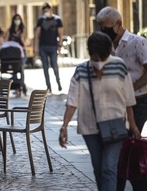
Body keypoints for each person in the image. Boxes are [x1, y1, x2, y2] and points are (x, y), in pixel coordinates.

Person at [59, 31, 140, 191]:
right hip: (90, 127)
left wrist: (133, 125)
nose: (98, 62)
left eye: (101, 58)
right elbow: (72, 101)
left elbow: (129, 99)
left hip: (115, 126)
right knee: (98, 168)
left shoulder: (119, 66)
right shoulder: (81, 71)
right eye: (95, 58)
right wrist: (64, 126)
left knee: (109, 167)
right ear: (89, 53)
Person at [96, 6, 147, 191]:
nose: (103, 31)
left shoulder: (138, 43)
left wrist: (130, 89)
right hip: (115, 104)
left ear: (118, 25)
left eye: (106, 27)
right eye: (100, 27)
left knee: (127, 147)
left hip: (139, 102)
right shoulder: (107, 46)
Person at [34, 2, 63, 92]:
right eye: (44, 11)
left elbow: (60, 34)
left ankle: (58, 83)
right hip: (43, 46)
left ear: (51, 9)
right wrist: (35, 47)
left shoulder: (57, 20)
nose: (46, 12)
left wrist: (59, 46)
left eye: (47, 10)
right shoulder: (41, 20)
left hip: (53, 46)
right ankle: (49, 86)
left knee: (54, 65)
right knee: (45, 67)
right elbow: (37, 34)